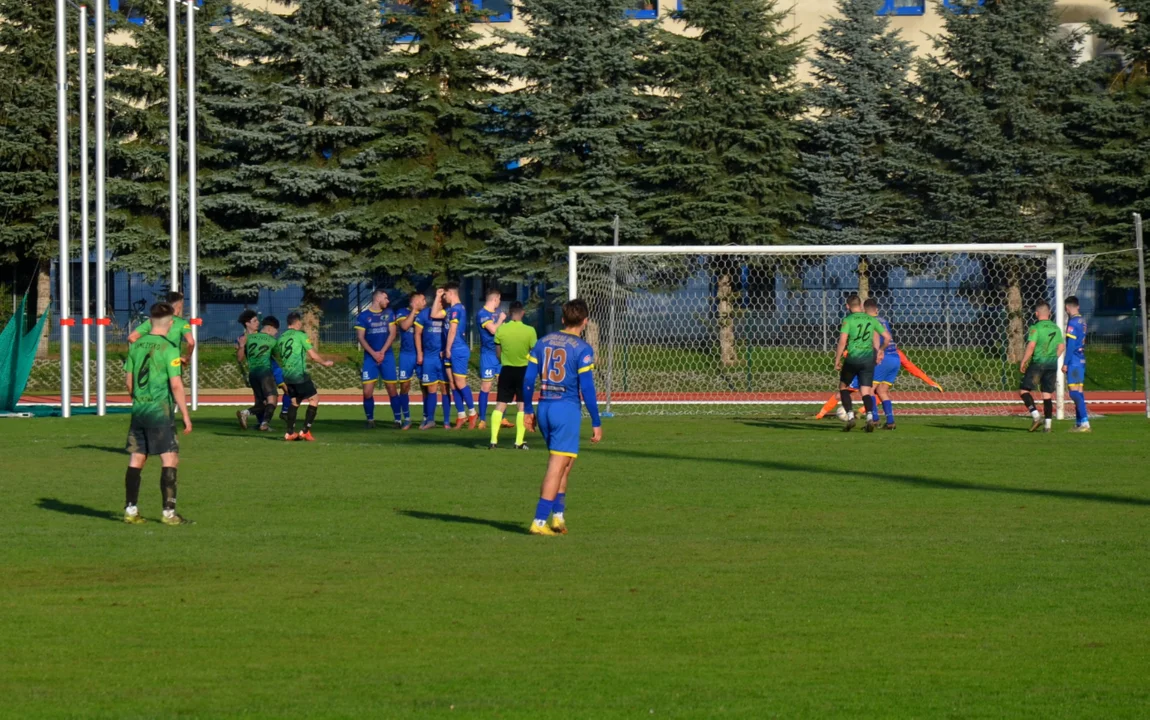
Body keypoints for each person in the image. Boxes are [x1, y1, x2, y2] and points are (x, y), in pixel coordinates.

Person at [521, 299, 603, 536]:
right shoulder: (583, 349)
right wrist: (596, 422)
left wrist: (528, 409)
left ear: (563, 319)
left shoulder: (543, 341)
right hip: (565, 410)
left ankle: (557, 517)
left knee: (566, 464)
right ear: (585, 321)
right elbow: (587, 388)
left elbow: (528, 381)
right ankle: (538, 521)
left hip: (545, 406)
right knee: (556, 467)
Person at [122, 302, 193, 526]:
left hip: (139, 410)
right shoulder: (170, 348)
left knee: (137, 458)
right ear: (171, 323)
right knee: (170, 457)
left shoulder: (136, 345)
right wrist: (185, 414)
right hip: (159, 411)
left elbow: (129, 381)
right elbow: (176, 385)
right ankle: (169, 513)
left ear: (150, 321)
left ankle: (131, 510)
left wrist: (139, 399)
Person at [274, 312, 335, 442]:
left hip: (287, 376)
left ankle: (289, 433)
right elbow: (313, 355)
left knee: (295, 402)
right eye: (300, 322)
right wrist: (324, 362)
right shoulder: (300, 335)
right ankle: (305, 431)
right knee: (314, 399)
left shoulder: (281, 338)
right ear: (297, 322)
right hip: (299, 375)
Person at [489, 301, 537, 450]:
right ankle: (518, 442)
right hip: (523, 370)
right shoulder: (530, 331)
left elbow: (498, 353)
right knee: (521, 406)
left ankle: (493, 441)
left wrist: (505, 360)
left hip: (506, 370)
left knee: (500, 405)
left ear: (509, 313)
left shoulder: (501, 330)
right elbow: (534, 353)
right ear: (522, 313)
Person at [834, 294, 884, 433]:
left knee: (843, 387)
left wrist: (837, 360)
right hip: (868, 360)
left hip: (852, 359)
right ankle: (869, 417)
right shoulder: (870, 319)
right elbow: (883, 337)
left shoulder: (848, 320)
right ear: (861, 305)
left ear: (847, 306)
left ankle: (850, 416)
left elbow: (842, 342)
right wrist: (879, 352)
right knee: (866, 391)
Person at [235, 310, 291, 428]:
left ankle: (273, 417)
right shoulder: (245, 338)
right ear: (247, 323)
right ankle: (263, 422)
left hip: (265, 370)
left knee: (280, 394)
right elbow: (240, 358)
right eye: (254, 321)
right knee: (268, 400)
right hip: (266, 370)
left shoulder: (253, 336)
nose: (257, 323)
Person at [1019, 302, 1065, 433]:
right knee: (1047, 395)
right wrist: (1052, 357)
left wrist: (1024, 360)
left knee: (1024, 391)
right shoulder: (1056, 328)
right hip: (1051, 364)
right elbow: (1061, 347)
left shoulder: (1035, 328)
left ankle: (1036, 416)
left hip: (1038, 363)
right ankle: (1048, 426)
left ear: (1036, 314)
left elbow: (1031, 346)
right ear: (1049, 313)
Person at [355, 288, 397, 429]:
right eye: (386, 298)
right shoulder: (363, 316)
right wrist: (373, 353)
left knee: (391, 389)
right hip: (370, 357)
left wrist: (382, 352)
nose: (388, 301)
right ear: (378, 299)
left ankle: (397, 420)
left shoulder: (389, 313)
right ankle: (370, 420)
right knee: (367, 391)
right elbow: (360, 337)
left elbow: (392, 334)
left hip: (387, 356)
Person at [415, 288, 452, 430]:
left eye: (443, 298)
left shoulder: (448, 313)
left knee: (445, 389)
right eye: (439, 298)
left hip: (443, 357)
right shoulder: (425, 314)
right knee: (431, 389)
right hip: (429, 357)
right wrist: (420, 353)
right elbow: (417, 334)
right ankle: (430, 419)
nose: (442, 300)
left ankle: (447, 421)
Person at [443, 282, 478, 429]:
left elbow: (453, 330)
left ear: (451, 293)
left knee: (460, 382)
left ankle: (472, 412)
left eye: (444, 294)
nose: (443, 298)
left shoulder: (457, 309)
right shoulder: (450, 309)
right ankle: (461, 415)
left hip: (456, 349)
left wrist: (448, 348)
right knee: (452, 384)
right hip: (450, 349)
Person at [128, 290, 195, 365]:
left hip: (154, 363)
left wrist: (147, 350)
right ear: (179, 304)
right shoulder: (181, 323)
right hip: (172, 363)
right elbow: (191, 342)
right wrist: (187, 357)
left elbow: (131, 337)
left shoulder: (154, 320)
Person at [392, 292, 427, 430]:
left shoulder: (426, 313)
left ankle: (426, 418)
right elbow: (405, 326)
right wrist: (413, 311)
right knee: (404, 386)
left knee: (425, 386)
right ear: (415, 301)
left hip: (423, 354)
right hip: (406, 355)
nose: (425, 302)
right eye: (423, 299)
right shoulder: (402, 312)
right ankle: (407, 418)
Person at [864, 299, 899, 430]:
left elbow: (876, 339)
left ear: (864, 311)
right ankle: (890, 421)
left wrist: (879, 352)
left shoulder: (869, 322)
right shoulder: (883, 320)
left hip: (883, 358)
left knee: (869, 389)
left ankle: (874, 419)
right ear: (876, 310)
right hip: (895, 357)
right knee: (882, 391)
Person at [476, 289, 507, 430]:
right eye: (499, 300)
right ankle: (482, 419)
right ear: (495, 299)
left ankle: (502, 417)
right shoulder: (482, 314)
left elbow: (503, 330)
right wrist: (501, 320)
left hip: (500, 354)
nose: (499, 303)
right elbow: (493, 330)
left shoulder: (497, 312)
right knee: (486, 386)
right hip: (488, 355)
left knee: (503, 386)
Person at [1064, 296, 1090, 432]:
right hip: (1081, 359)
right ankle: (1080, 422)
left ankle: (1085, 422)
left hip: (1074, 361)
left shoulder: (1073, 323)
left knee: (1074, 393)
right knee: (1078, 392)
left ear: (1067, 308)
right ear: (1078, 306)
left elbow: (1071, 345)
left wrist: (1065, 362)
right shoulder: (1082, 321)